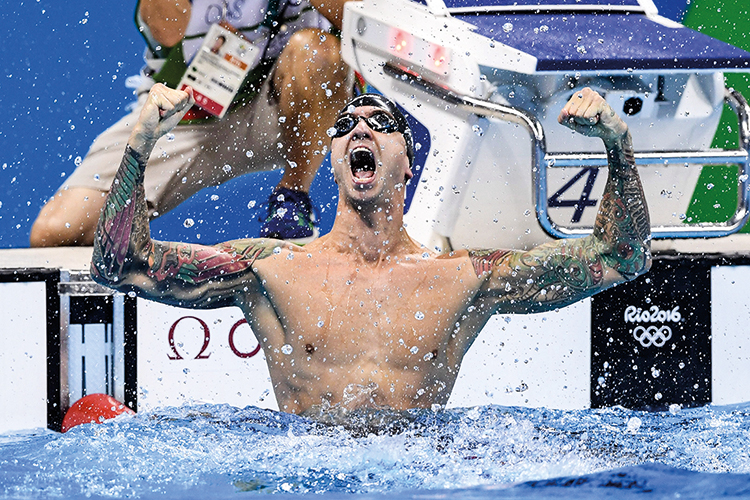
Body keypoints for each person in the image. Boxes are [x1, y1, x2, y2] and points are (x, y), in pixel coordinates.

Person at [91, 84, 651, 419]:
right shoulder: (269, 268)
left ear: (408, 164)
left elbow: (622, 257)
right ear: (333, 159)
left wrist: (618, 144)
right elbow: (121, 265)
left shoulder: (464, 276)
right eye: (345, 125)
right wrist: (140, 146)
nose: (360, 128)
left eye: (381, 124)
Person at [30, 0, 351, 247]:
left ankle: (292, 201)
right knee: (58, 230)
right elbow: (165, 28)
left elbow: (357, 20)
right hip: (188, 109)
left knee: (317, 52)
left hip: (292, 110)